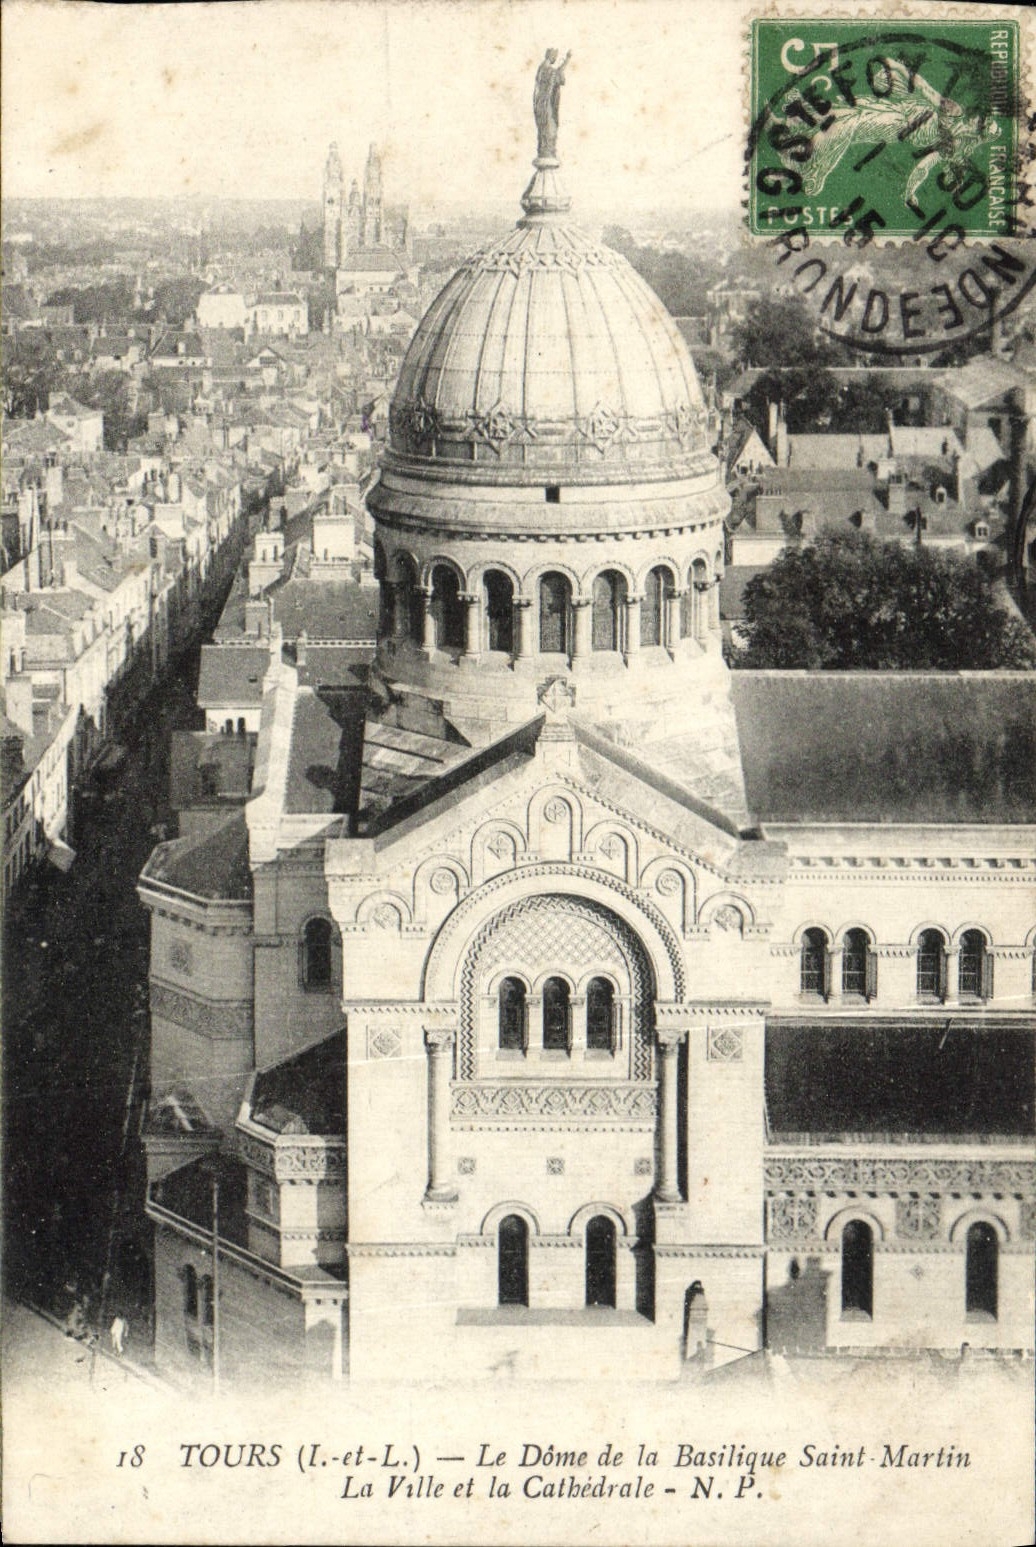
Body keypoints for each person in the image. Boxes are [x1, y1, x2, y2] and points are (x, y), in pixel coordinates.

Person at [533, 49, 572, 159]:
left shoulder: (543, 69)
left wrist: (566, 61)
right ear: (551, 56)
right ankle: (547, 150)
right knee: (550, 128)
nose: (555, 58)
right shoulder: (546, 70)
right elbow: (558, 75)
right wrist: (567, 60)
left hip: (543, 104)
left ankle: (547, 150)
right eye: (555, 56)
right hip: (545, 105)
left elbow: (557, 74)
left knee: (548, 129)